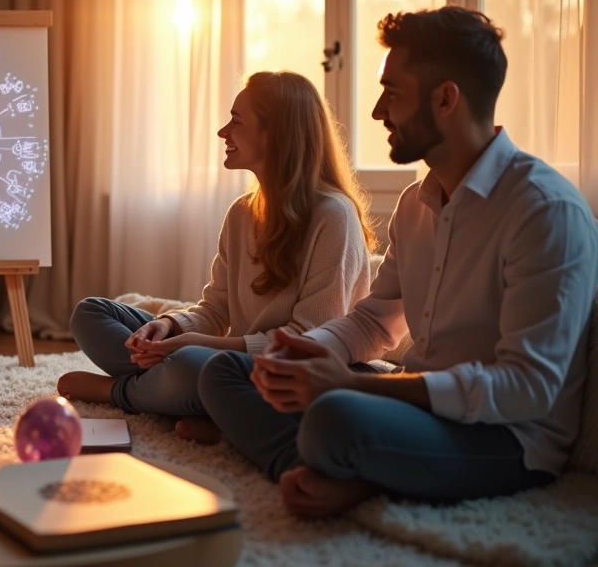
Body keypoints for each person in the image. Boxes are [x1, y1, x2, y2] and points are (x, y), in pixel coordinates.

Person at [198, 6, 598, 518]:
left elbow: (526, 390)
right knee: (225, 372)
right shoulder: (415, 204)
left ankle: (345, 471)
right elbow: (374, 320)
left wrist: (351, 385)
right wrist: (305, 351)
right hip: (411, 402)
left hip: (506, 437)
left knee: (333, 418)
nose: (376, 112)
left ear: (446, 99)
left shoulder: (544, 211)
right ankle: (345, 468)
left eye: (392, 93)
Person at [59, 71, 377, 442]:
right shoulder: (242, 213)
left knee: (192, 365)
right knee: (91, 313)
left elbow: (306, 345)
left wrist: (195, 346)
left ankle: (120, 393)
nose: (223, 132)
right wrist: (171, 327)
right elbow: (215, 310)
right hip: (230, 366)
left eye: (236, 122)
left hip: (287, 373)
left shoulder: (333, 217)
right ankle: (207, 409)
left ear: (274, 134)